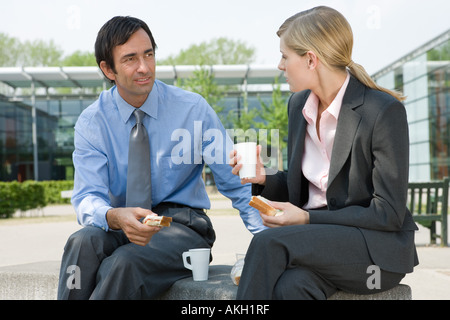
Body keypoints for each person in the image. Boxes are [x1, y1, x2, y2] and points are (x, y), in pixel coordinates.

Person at [57, 16, 264, 300]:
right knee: (81, 242)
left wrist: (270, 240)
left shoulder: (193, 110)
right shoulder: (92, 122)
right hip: (121, 223)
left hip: (182, 228)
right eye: (130, 59)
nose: (144, 67)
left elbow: (237, 184)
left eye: (149, 54)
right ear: (108, 69)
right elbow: (87, 197)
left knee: (124, 263)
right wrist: (114, 215)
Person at [230, 6, 419, 299]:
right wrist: (264, 178)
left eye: (284, 55)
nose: (280, 65)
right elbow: (303, 192)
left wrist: (306, 220)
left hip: (375, 250)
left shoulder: (381, 111)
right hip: (322, 246)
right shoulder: (298, 106)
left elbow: (388, 214)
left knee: (269, 243)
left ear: (310, 59)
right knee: (291, 287)